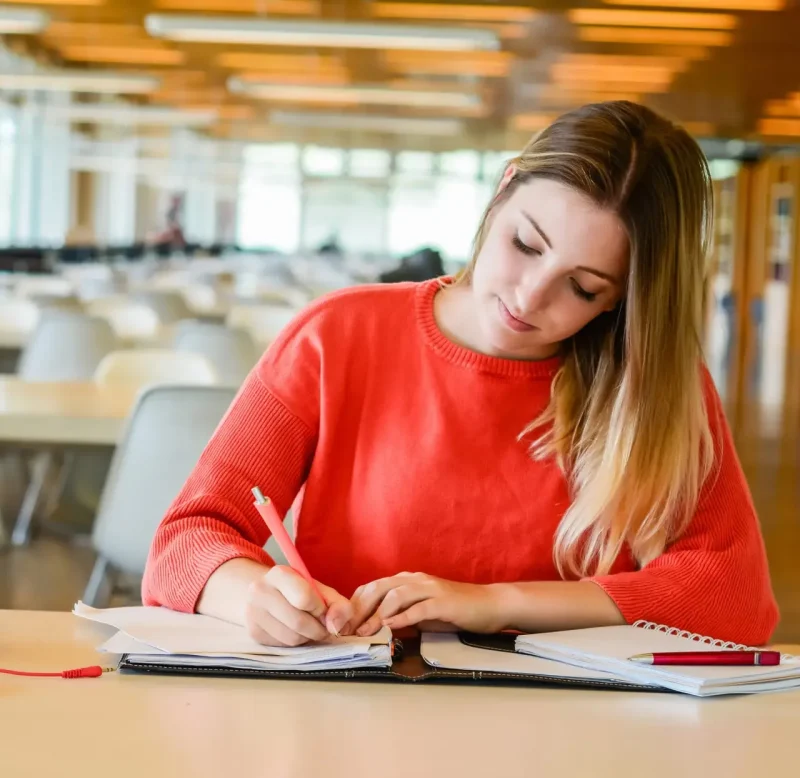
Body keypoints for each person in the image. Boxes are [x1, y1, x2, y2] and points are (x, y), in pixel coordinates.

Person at [142, 101, 779, 647]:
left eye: (583, 288)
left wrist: (493, 603)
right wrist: (253, 595)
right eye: (525, 245)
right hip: (348, 723)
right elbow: (186, 543)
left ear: (623, 299)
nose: (529, 298)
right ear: (502, 189)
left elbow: (732, 598)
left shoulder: (652, 381)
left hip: (571, 743)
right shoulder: (337, 335)